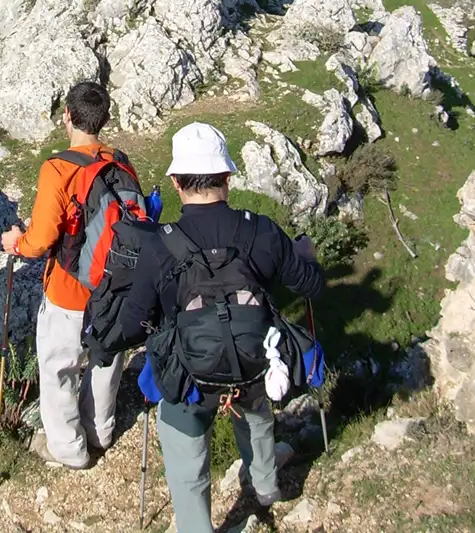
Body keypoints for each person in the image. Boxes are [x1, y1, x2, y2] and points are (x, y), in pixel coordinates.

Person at [117, 122, 326, 533]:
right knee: (256, 409)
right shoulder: (260, 230)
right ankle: (265, 484)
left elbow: (131, 324)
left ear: (176, 182)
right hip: (253, 363)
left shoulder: (161, 244)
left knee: (184, 437)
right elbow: (312, 286)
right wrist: (307, 255)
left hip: (191, 374)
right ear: (228, 177)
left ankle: (197, 526)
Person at [0, 81, 131, 469]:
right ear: (103, 119)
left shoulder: (58, 168)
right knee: (106, 360)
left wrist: (16, 242)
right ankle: (101, 431)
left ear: (68, 117)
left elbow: (41, 241)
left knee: (59, 366)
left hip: (70, 288)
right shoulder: (121, 160)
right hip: (115, 285)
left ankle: (69, 449)